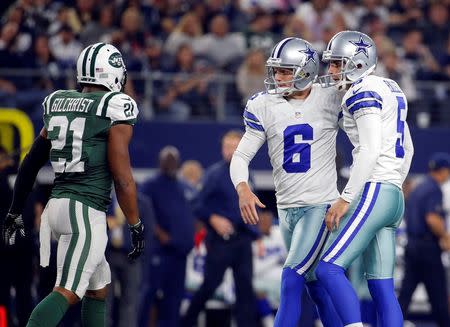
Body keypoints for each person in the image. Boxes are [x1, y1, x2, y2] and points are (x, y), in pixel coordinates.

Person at [1, 42, 145, 327]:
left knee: (98, 287)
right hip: (84, 210)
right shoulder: (114, 105)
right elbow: (122, 177)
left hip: (58, 205)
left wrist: (15, 209)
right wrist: (135, 223)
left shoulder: (59, 101)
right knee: (66, 291)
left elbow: (30, 162)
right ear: (113, 73)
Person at [230, 37, 343, 327]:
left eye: (285, 71)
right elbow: (241, 155)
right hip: (286, 208)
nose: (277, 77)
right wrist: (242, 187)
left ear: (305, 70)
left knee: (290, 276)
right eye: (276, 70)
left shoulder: (329, 96)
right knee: (314, 285)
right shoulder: (263, 105)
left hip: (319, 205)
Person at [315, 30, 414, 327]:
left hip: (375, 189)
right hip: (393, 194)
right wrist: (394, 181)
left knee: (328, 269)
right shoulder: (391, 87)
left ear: (357, 63)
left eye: (336, 64)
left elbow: (370, 150)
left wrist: (345, 199)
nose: (331, 71)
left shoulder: (361, 91)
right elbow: (407, 147)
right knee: (381, 286)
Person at [181, 130, 258, 327]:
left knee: (245, 290)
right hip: (220, 241)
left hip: (243, 239)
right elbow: (196, 204)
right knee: (210, 285)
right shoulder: (214, 174)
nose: (231, 151)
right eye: (227, 147)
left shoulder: (248, 174)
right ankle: (186, 322)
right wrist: (213, 218)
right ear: (222, 149)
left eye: (235, 147)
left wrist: (256, 236)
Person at [139, 146, 195, 327]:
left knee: (174, 297)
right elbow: (142, 212)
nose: (170, 163)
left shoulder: (182, 186)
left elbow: (193, 212)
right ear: (160, 162)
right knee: (149, 294)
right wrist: (159, 233)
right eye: (167, 160)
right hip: (159, 252)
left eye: (173, 160)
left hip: (180, 253)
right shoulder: (150, 184)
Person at [398, 152, 450, 327]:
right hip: (428, 249)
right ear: (443, 171)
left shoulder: (418, 187)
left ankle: (391, 323)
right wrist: (445, 237)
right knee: (439, 298)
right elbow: (432, 218)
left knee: (405, 296)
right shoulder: (434, 188)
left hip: (412, 246)